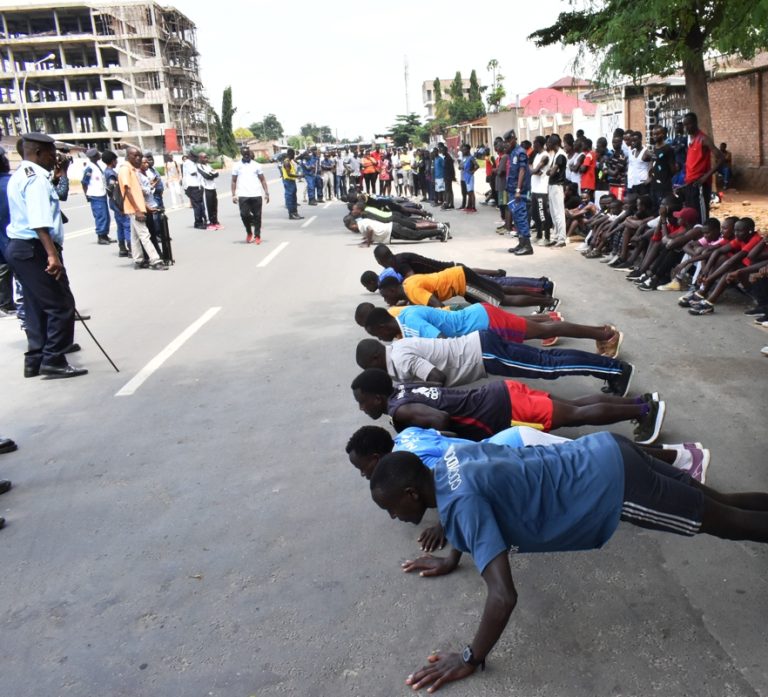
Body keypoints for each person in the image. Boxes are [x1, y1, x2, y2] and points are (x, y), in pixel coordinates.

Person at [369, 434, 768, 692]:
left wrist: (470, 657)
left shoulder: (463, 507)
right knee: (723, 505)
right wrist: (451, 557)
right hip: (605, 449)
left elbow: (503, 596)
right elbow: (469, 511)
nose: (393, 517)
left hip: (614, 486)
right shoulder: (451, 461)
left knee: (727, 524)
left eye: (391, 508)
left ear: (411, 493)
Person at [352, 368, 665, 444]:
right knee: (574, 405)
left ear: (378, 398)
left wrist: (456, 446)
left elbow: (441, 418)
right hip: (499, 394)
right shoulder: (403, 387)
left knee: (576, 414)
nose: (362, 408)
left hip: (501, 409)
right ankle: (639, 403)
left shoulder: (400, 410)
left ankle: (644, 411)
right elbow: (437, 388)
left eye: (362, 401)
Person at [4, 132, 88, 378]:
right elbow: (39, 220)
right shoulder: (37, 179)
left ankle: (35, 360)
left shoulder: (21, 174)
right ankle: (53, 359)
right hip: (35, 248)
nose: (55, 158)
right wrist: (52, 254)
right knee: (61, 305)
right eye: (52, 153)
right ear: (38, 153)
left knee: (35, 306)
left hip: (20, 248)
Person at [355, 333, 635, 396]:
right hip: (481, 347)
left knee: (548, 366)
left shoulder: (401, 359)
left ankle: (616, 370)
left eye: (370, 368)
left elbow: (437, 378)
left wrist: (411, 389)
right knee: (548, 362)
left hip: (483, 354)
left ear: (374, 360)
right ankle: (609, 371)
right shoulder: (397, 348)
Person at [360, 303, 623, 356]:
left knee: (542, 332)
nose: (380, 340)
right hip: (480, 317)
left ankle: (605, 334)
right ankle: (600, 333)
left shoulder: (411, 321)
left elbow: (441, 342)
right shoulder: (404, 318)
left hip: (484, 323)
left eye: (377, 335)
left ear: (383, 326)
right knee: (537, 328)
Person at [118, 146, 167, 271]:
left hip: (138, 207)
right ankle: (155, 260)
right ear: (128, 156)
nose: (138, 158)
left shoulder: (133, 170)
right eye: (135, 155)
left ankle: (138, 260)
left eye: (139, 155)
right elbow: (127, 190)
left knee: (135, 236)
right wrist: (137, 210)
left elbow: (137, 192)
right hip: (134, 209)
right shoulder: (125, 169)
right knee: (145, 234)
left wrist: (145, 207)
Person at [682, 112, 723, 224]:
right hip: (690, 183)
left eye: (688, 124)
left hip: (700, 184)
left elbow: (720, 158)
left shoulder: (703, 139)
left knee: (701, 215)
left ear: (695, 123)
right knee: (691, 213)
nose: (686, 128)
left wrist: (706, 177)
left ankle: (704, 237)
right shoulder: (690, 140)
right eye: (684, 125)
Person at [346, 205, 447, 246]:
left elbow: (371, 229)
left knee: (416, 229)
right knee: (416, 227)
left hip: (392, 223)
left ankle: (441, 228)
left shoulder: (365, 216)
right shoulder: (367, 211)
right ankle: (440, 228)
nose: (353, 212)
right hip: (391, 222)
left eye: (354, 210)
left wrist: (368, 242)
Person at [231, 146, 270, 244]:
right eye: (244, 153)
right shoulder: (236, 165)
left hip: (256, 194)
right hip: (243, 195)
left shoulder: (256, 165)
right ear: (241, 154)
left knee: (257, 216)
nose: (246, 155)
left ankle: (257, 236)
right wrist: (233, 194)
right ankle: (249, 232)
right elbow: (233, 181)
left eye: (248, 153)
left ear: (250, 153)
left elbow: (262, 179)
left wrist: (266, 192)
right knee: (244, 215)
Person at [505, 130, 532, 256]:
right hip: (511, 189)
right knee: (516, 217)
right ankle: (521, 243)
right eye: (506, 141)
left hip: (518, 191)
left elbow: (522, 171)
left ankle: (527, 246)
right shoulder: (512, 152)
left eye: (509, 141)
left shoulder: (521, 152)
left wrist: (518, 189)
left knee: (521, 216)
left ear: (514, 139)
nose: (507, 143)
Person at [81, 148, 114, 245]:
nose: (99, 154)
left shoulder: (96, 165)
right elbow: (84, 182)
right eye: (97, 154)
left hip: (101, 193)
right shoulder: (89, 168)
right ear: (94, 156)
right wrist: (87, 194)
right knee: (101, 216)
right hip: (95, 195)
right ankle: (101, 236)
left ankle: (105, 235)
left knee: (106, 216)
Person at [101, 150, 131, 257]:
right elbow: (112, 191)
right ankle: (130, 247)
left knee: (120, 226)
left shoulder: (106, 171)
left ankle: (122, 248)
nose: (117, 162)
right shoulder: (111, 174)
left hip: (115, 203)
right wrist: (121, 206)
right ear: (112, 161)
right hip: (118, 203)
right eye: (116, 160)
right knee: (127, 225)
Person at [546, 134, 568, 247]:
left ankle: (562, 238)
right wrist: (549, 171)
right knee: (554, 213)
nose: (547, 144)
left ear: (554, 144)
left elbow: (552, 172)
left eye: (549, 142)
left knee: (559, 213)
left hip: (557, 186)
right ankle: (556, 236)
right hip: (552, 185)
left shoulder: (560, 155)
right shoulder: (555, 154)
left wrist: (549, 171)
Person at [182, 151, 206, 229]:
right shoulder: (188, 163)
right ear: (191, 157)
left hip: (197, 186)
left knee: (200, 205)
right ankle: (198, 222)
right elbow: (193, 173)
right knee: (197, 205)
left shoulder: (193, 163)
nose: (197, 159)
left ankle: (202, 220)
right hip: (192, 187)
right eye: (195, 158)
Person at [197, 152, 221, 230]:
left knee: (214, 206)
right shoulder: (199, 166)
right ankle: (209, 223)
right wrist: (211, 174)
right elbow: (206, 176)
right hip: (205, 188)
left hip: (212, 187)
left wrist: (212, 174)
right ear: (200, 158)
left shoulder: (208, 166)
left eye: (206, 157)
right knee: (208, 207)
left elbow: (217, 174)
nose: (206, 159)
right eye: (204, 157)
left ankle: (215, 221)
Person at [281, 148, 303, 220]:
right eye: (294, 154)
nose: (294, 155)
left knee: (294, 198)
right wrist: (299, 176)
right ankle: (291, 214)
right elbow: (289, 174)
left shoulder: (291, 161)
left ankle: (295, 213)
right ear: (291, 154)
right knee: (290, 198)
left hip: (292, 181)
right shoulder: (287, 162)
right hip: (288, 181)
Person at [460, 144, 478, 212]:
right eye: (463, 149)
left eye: (465, 149)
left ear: (468, 150)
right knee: (468, 192)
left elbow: (477, 165)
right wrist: (460, 166)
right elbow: (460, 166)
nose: (463, 151)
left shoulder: (471, 157)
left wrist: (472, 171)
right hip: (465, 177)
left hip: (470, 176)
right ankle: (469, 206)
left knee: (471, 192)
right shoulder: (464, 157)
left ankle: (473, 207)